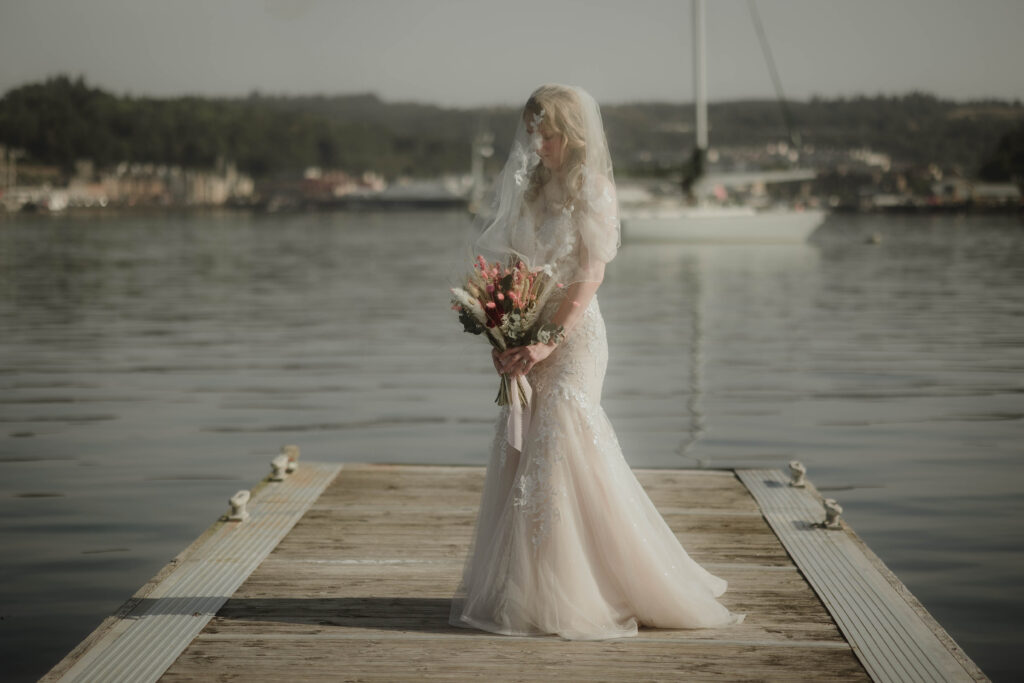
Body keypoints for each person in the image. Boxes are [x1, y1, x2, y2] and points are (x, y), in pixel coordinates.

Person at [449, 84, 744, 640]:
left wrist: (548, 340)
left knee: (565, 433)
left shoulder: (595, 190)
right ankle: (534, 587)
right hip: (532, 331)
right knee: (527, 445)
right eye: (533, 133)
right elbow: (517, 271)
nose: (539, 145)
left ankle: (600, 586)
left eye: (549, 134)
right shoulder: (533, 189)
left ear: (573, 133)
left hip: (576, 336)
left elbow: (589, 275)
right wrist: (505, 332)